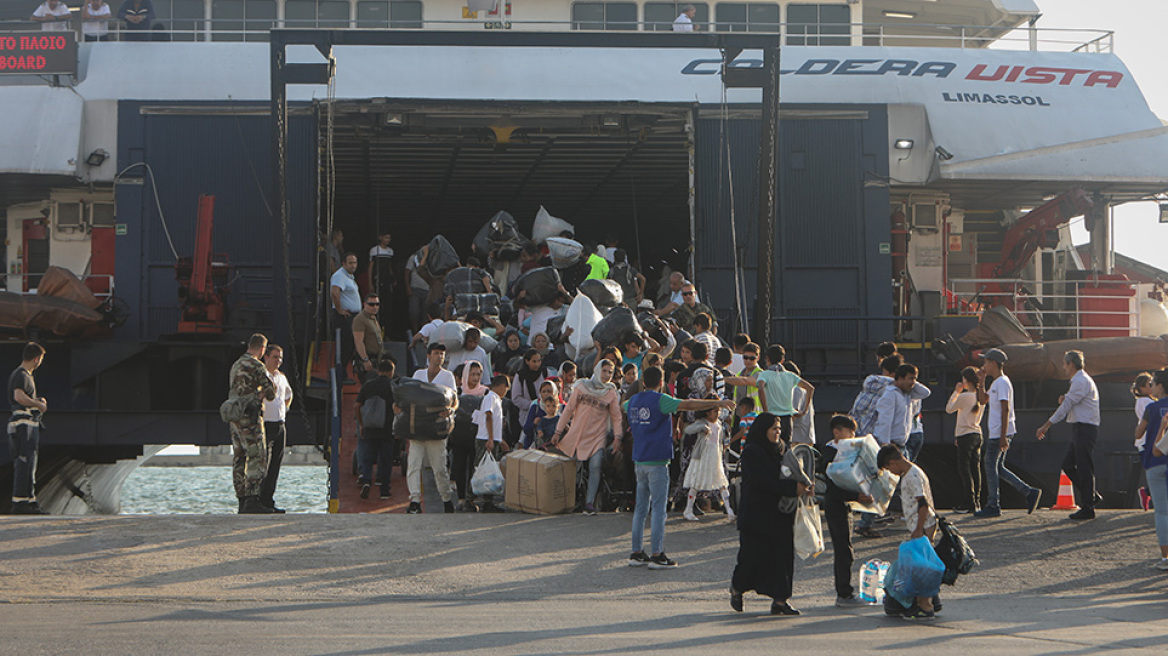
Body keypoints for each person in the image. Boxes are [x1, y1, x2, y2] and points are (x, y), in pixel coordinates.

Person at [625, 366, 734, 569]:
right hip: (658, 460)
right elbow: (689, 404)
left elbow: (622, 405)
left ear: (642, 381)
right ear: (661, 382)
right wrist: (718, 402)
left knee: (640, 509)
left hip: (639, 460)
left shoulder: (632, 402)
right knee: (658, 509)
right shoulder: (662, 400)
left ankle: (637, 552)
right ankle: (657, 554)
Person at [729, 413, 808, 616]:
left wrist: (803, 484)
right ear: (763, 429)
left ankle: (780, 600)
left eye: (779, 429)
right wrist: (792, 488)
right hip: (756, 513)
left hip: (779, 512)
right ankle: (738, 588)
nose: (777, 433)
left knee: (782, 558)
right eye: (773, 429)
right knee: (751, 557)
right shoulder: (752, 452)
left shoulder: (782, 449)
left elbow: (791, 471)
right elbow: (760, 481)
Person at [974, 348, 1042, 518]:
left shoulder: (1002, 383)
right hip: (999, 432)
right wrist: (981, 382)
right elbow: (982, 400)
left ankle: (993, 504)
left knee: (989, 464)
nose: (983, 365)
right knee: (998, 467)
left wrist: (1003, 436)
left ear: (993, 363)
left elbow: (1005, 409)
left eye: (985, 362)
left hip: (1000, 433)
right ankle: (1029, 492)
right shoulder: (997, 383)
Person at [552, 359, 624, 515]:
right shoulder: (582, 386)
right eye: (604, 371)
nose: (607, 375)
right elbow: (569, 409)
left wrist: (618, 437)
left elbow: (616, 417)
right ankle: (569, 500)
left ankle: (589, 503)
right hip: (578, 433)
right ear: (597, 370)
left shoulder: (611, 392)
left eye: (610, 372)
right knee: (574, 468)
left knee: (595, 465)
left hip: (598, 435)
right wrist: (558, 432)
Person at [876, 444, 940, 620]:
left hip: (923, 526)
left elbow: (923, 504)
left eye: (889, 468)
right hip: (923, 525)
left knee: (921, 569)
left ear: (894, 462)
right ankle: (933, 601)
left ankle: (924, 608)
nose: (891, 472)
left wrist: (919, 530)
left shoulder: (912, 476)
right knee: (924, 565)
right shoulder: (913, 471)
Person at [1036, 350, 1101, 520]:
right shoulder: (1082, 380)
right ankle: (1091, 497)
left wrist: (1045, 425)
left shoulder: (1079, 381)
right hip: (1082, 428)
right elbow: (1073, 401)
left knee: (1083, 467)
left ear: (1071, 364)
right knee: (1070, 464)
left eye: (1065, 363)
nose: (1063, 367)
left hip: (1083, 429)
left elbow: (1066, 408)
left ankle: (1088, 507)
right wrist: (1066, 398)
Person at [821, 415, 877, 607]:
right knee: (843, 549)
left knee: (846, 547)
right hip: (836, 503)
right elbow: (834, 484)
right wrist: (856, 496)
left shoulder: (847, 450)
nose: (853, 436)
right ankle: (844, 594)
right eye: (849, 432)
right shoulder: (831, 452)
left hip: (845, 504)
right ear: (837, 432)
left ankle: (845, 592)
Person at [228, 334, 277, 514]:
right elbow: (271, 393)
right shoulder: (257, 365)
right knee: (257, 455)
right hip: (250, 417)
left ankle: (241, 500)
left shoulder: (236, 365)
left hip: (234, 417)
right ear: (262, 349)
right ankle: (253, 499)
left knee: (239, 457)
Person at [7, 342, 48, 514]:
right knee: (25, 461)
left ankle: (29, 500)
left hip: (26, 425)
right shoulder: (22, 375)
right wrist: (37, 405)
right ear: (37, 359)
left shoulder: (23, 375)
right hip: (24, 424)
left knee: (29, 462)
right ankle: (21, 503)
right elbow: (18, 396)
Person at [1133, 369, 1168, 570]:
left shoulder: (1152, 408)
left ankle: (1166, 558)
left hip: (1155, 463)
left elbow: (1139, 432)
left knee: (1162, 511)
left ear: (1161, 386)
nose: (1152, 386)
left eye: (1154, 383)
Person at [681, 402, 734, 522]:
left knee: (722, 483)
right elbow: (688, 429)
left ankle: (729, 510)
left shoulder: (719, 424)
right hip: (702, 456)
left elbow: (720, 440)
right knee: (696, 482)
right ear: (707, 412)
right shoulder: (702, 422)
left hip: (715, 457)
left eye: (719, 411)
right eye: (715, 411)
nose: (717, 414)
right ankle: (688, 509)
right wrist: (701, 428)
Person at [356, 359, 397, 501]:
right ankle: (384, 490)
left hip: (369, 428)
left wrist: (361, 423)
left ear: (378, 371)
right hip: (387, 429)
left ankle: (366, 481)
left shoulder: (368, 385)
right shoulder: (392, 387)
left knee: (367, 458)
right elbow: (398, 408)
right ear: (391, 372)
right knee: (386, 459)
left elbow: (357, 405)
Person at [260, 344, 294, 513]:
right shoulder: (261, 376)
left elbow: (288, 395)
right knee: (263, 464)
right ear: (265, 357)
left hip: (280, 424)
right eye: (275, 357)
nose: (278, 361)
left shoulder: (281, 377)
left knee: (275, 465)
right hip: (266, 424)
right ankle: (258, 500)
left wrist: (285, 410)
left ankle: (268, 500)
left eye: (280, 357)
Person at [946, 367, 984, 514]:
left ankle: (969, 502)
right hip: (977, 434)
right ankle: (977, 501)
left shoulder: (964, 397)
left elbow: (949, 409)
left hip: (965, 434)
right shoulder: (981, 397)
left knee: (964, 469)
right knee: (976, 468)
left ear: (966, 381)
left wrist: (957, 391)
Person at [472, 375, 512, 513]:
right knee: (482, 469)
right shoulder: (491, 397)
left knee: (489, 471)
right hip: (485, 438)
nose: (505, 392)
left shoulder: (496, 399)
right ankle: (470, 499)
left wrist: (499, 440)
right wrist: (490, 438)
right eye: (506, 389)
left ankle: (487, 501)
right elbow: (488, 417)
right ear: (501, 386)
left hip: (492, 438)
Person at [872, 364, 931, 451]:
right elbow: (885, 421)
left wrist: (910, 382)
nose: (913, 382)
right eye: (911, 378)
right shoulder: (890, 394)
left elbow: (925, 393)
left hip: (901, 445)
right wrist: (885, 445)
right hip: (892, 445)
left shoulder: (906, 394)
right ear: (900, 378)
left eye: (915, 379)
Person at [851, 352, 902, 437]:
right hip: (877, 435)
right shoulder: (896, 391)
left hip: (858, 431)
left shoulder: (870, 385)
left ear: (886, 370)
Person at [330, 252, 361, 384]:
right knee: (346, 345)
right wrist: (340, 310)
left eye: (355, 263)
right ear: (343, 264)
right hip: (344, 317)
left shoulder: (349, 277)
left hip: (353, 316)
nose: (353, 265)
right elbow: (334, 292)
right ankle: (340, 376)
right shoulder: (339, 276)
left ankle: (344, 373)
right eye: (350, 263)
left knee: (350, 346)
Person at [351, 294, 384, 384]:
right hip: (367, 358)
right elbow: (359, 342)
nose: (375, 307)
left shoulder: (372, 318)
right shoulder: (360, 319)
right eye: (371, 304)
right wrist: (365, 360)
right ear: (365, 304)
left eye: (377, 304)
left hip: (376, 358)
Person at [785, 361, 815, 445]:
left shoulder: (796, 389)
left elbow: (794, 412)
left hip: (797, 437)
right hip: (806, 436)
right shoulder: (804, 390)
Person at [521, 379, 559, 448]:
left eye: (549, 391)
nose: (546, 394)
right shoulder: (536, 408)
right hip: (536, 447)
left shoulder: (560, 408)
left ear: (555, 392)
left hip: (556, 446)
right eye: (543, 391)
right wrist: (534, 423)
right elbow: (526, 429)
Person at [511, 348, 547, 419]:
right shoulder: (520, 376)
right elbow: (516, 398)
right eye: (534, 361)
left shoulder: (545, 372)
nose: (537, 364)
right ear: (527, 361)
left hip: (545, 412)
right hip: (527, 415)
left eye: (539, 361)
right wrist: (533, 404)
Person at [405, 245, 432, 332]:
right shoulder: (413, 258)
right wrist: (408, 287)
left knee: (426, 314)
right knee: (414, 312)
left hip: (427, 289)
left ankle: (423, 334)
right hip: (415, 288)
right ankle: (415, 332)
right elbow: (407, 272)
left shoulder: (432, 259)